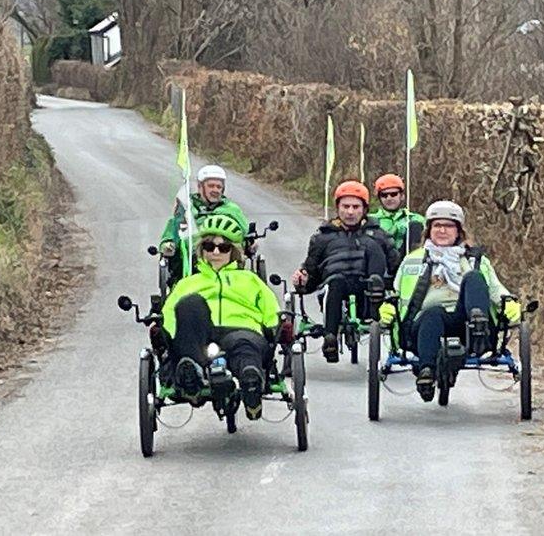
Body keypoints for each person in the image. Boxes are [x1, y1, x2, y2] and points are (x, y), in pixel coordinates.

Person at [379, 201, 522, 401]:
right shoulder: (412, 260)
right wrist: (388, 308)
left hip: (468, 326)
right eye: (437, 225)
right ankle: (426, 372)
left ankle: (478, 324)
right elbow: (395, 293)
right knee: (433, 313)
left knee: (474, 277)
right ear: (429, 230)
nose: (442, 230)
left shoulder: (475, 261)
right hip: (425, 326)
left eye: (449, 226)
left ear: (459, 231)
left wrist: (509, 303)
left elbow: (497, 289)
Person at [156, 214, 287, 420]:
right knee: (190, 303)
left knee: (244, 345)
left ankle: (250, 383)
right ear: (202, 250)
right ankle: (192, 374)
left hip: (241, 330)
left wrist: (277, 331)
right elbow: (170, 316)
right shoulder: (188, 283)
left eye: (223, 247)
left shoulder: (250, 280)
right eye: (209, 246)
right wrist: (169, 338)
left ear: (233, 251)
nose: (216, 252)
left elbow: (272, 313)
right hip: (201, 338)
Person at [290, 180, 400, 363]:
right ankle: (330, 338)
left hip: (368, 288)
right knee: (336, 283)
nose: (350, 212)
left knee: (373, 266)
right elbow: (312, 273)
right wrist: (302, 281)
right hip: (334, 287)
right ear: (337, 208)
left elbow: (396, 268)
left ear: (364, 209)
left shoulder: (378, 234)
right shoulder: (322, 237)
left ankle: (373, 318)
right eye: (346, 206)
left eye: (355, 207)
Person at [159, 165, 248, 283]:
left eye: (219, 187)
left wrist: (250, 243)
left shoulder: (232, 209)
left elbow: (244, 233)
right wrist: (167, 243)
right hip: (191, 260)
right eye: (211, 186)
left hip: (227, 254)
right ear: (200, 187)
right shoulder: (187, 207)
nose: (215, 190)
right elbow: (173, 228)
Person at [370, 173, 425, 252]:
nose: (389, 198)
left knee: (415, 226)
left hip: (408, 260)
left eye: (393, 194)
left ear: (402, 196)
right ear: (379, 198)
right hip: (382, 261)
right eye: (384, 195)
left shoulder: (417, 219)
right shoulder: (370, 221)